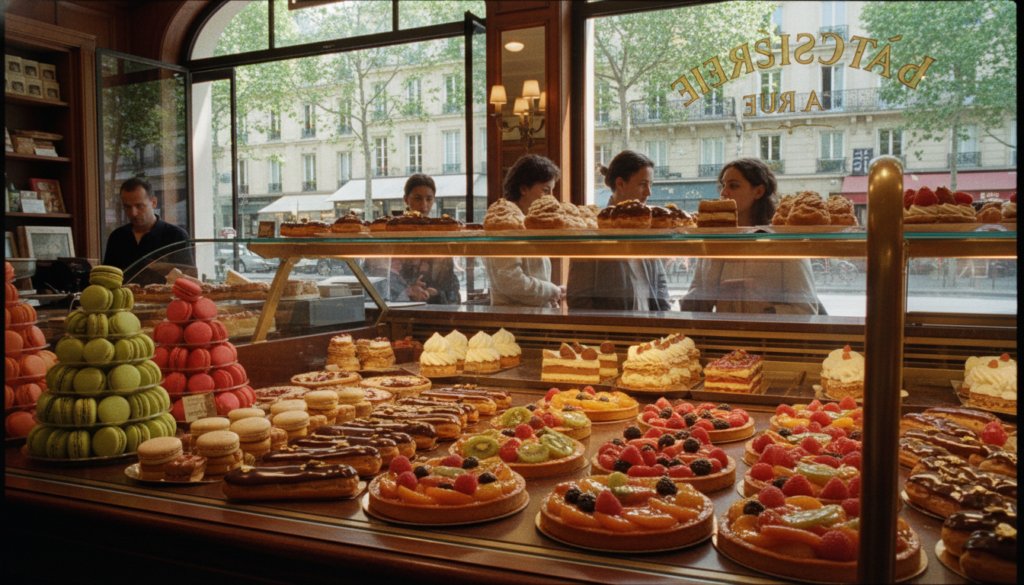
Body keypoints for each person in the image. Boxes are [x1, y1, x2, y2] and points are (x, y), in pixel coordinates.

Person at [680, 158, 822, 315]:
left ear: (759, 191)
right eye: (723, 185)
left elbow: (806, 310)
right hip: (724, 335)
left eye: (733, 185)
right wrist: (702, 293)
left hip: (765, 337)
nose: (724, 192)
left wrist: (759, 303)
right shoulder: (714, 240)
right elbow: (695, 304)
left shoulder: (783, 241)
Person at [566, 150, 671, 311]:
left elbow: (659, 282)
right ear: (620, 183)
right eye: (643, 184)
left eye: (650, 184)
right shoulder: (594, 229)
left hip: (649, 331)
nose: (649, 193)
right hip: (611, 333)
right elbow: (578, 298)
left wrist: (664, 322)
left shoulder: (646, 225)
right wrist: (606, 332)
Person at [484, 155, 565, 308]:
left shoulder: (528, 222)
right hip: (514, 321)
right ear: (523, 189)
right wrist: (550, 290)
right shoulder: (505, 221)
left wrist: (553, 291)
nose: (552, 198)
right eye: (546, 190)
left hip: (531, 318)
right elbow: (509, 280)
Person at [103, 177, 192, 283]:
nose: (133, 213)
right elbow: (107, 279)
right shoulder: (117, 237)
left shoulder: (176, 236)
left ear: (154, 203)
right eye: (127, 207)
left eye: (139, 206)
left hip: (164, 298)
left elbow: (188, 281)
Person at [388, 174, 460, 304]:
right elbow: (382, 281)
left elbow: (451, 284)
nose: (424, 205)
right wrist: (406, 292)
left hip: (433, 313)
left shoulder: (439, 234)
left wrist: (437, 292)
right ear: (406, 199)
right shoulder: (393, 231)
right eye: (417, 198)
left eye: (429, 199)